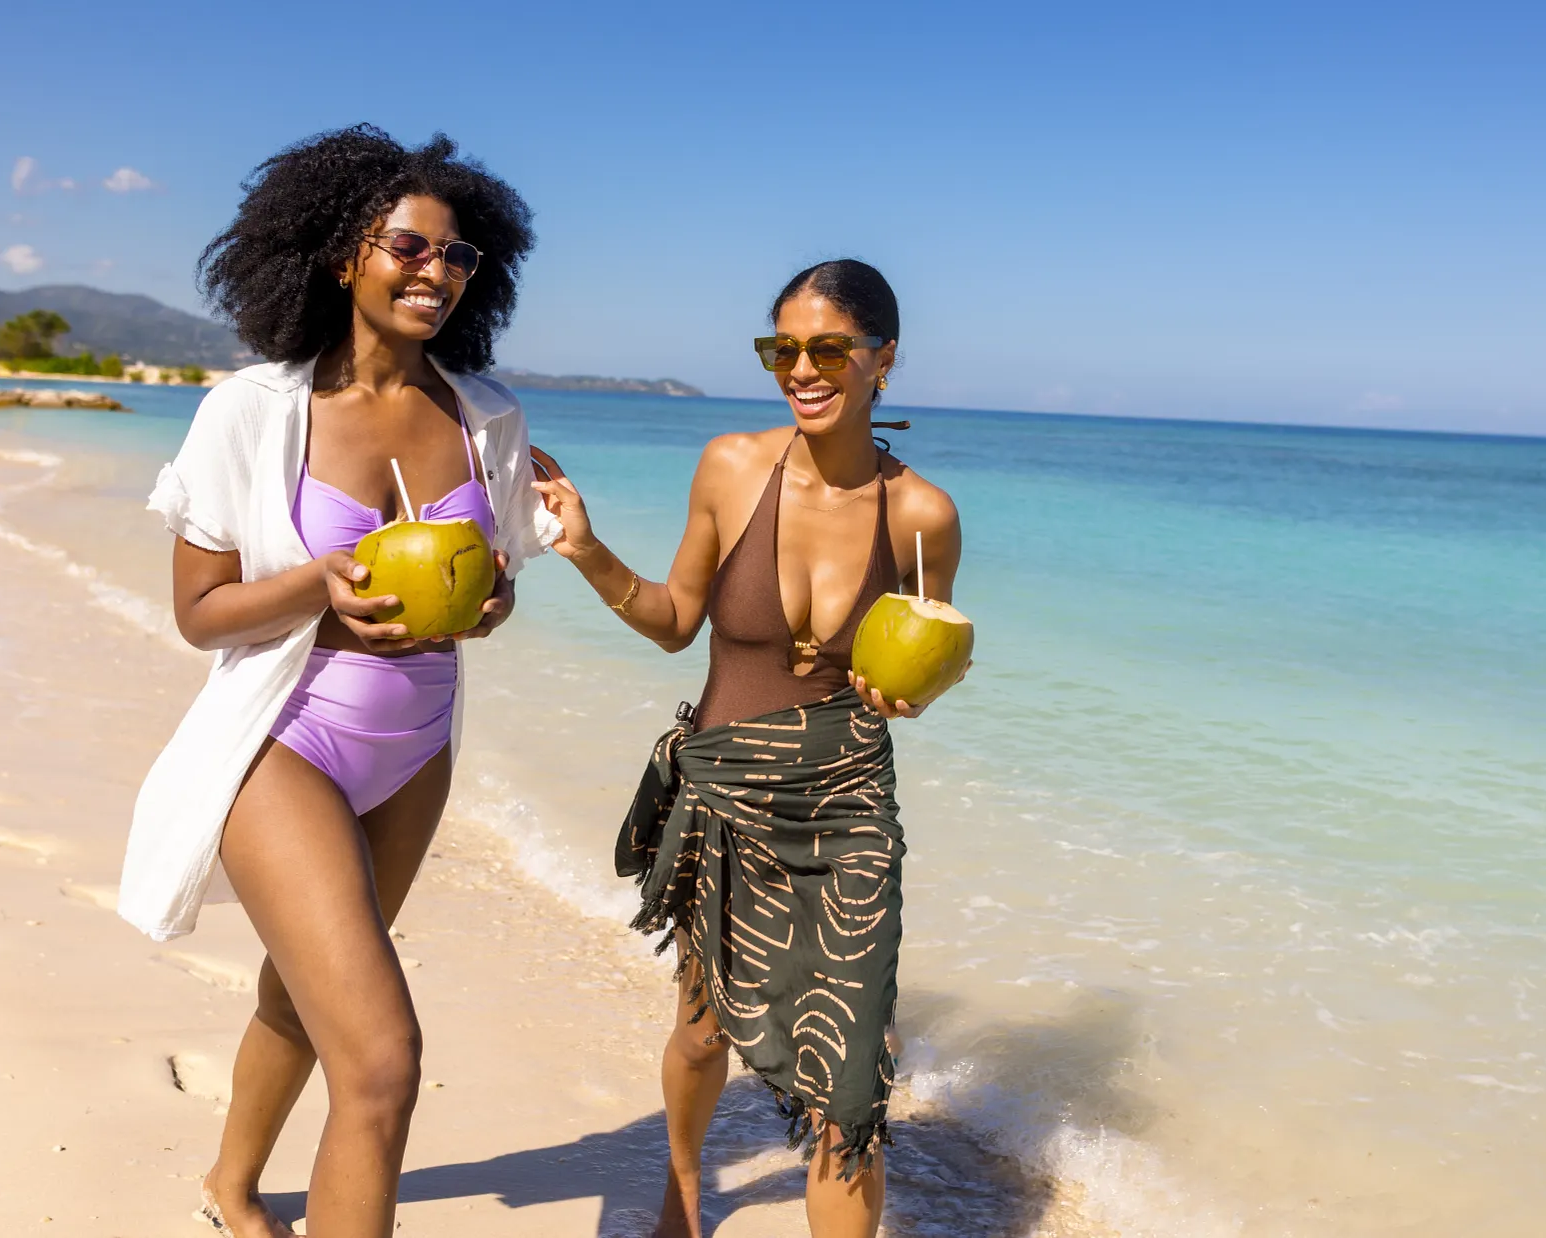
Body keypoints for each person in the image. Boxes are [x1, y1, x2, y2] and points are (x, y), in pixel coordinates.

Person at [115, 125, 551, 1238]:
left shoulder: (485, 414)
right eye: (410, 244)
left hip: (417, 746)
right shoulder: (254, 412)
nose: (436, 272)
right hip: (287, 741)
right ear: (338, 253)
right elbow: (198, 611)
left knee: (308, 1000)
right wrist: (316, 584)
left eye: (458, 258)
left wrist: (489, 604)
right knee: (384, 1059)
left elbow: (492, 587)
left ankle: (227, 1187)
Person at [534, 259, 964, 1238]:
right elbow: (675, 618)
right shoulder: (730, 465)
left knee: (846, 1090)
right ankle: (683, 1195)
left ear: (881, 359)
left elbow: (917, 667)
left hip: (848, 807)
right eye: (783, 349)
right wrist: (586, 548)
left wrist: (910, 698)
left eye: (827, 349)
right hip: (726, 791)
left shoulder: (923, 515)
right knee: (700, 1032)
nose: (801, 369)